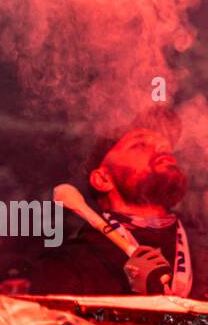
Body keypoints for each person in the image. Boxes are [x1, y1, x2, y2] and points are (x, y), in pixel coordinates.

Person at [28, 123, 194, 297]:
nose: (163, 147)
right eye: (140, 144)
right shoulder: (69, 265)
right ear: (103, 180)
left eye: (165, 145)